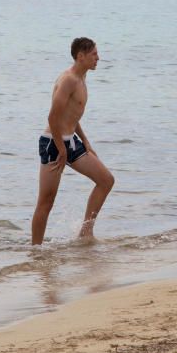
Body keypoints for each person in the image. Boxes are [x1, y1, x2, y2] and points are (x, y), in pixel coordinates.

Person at [32, 37, 115, 245]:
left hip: (71, 141)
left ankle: (86, 233)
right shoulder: (69, 79)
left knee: (106, 180)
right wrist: (61, 149)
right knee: (46, 202)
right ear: (81, 56)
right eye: (94, 54)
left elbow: (71, 115)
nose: (98, 58)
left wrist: (85, 141)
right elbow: (53, 117)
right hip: (54, 143)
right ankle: (35, 251)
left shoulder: (82, 78)